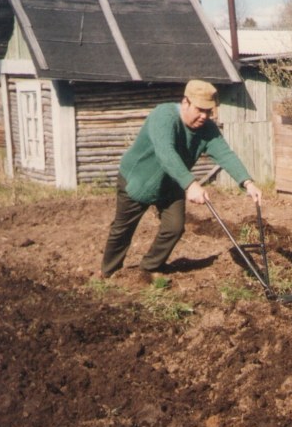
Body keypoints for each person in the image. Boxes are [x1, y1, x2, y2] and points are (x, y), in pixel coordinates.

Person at [101, 80, 263, 281]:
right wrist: (191, 184)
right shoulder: (164, 116)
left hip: (171, 183)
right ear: (185, 102)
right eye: (200, 109)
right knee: (123, 230)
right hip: (138, 179)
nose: (204, 116)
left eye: (209, 111)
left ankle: (149, 267)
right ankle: (108, 273)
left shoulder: (207, 129)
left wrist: (247, 182)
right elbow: (165, 152)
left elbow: (225, 154)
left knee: (174, 227)